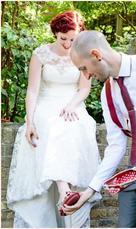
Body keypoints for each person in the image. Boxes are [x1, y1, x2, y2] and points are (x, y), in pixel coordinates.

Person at [6, 11, 101, 227]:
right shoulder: (40, 54)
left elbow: (84, 89)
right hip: (46, 104)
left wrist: (71, 105)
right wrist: (29, 121)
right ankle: (63, 189)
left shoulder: (84, 55)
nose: (68, 44)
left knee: (73, 125)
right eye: (63, 38)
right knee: (48, 125)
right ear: (56, 34)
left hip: (72, 103)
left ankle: (65, 190)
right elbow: (32, 92)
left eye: (73, 39)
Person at [62, 30, 136, 227]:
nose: (86, 76)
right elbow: (116, 145)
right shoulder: (108, 93)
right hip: (135, 168)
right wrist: (89, 192)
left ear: (96, 54)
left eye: (84, 68)